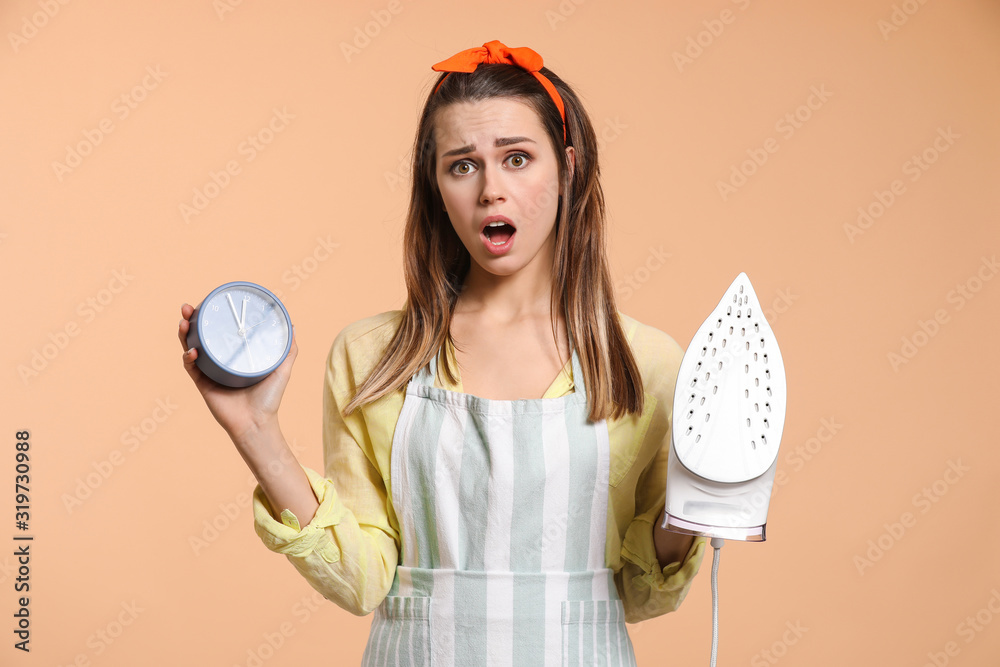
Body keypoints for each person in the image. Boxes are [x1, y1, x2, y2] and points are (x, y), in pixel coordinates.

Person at [178, 39, 706, 666]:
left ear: (567, 168)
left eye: (517, 158)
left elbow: (642, 594)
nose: (491, 190)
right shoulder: (373, 357)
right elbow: (363, 581)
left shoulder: (645, 366)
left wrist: (705, 498)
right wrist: (256, 431)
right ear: (435, 184)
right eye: (462, 165)